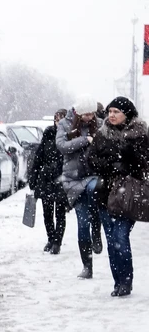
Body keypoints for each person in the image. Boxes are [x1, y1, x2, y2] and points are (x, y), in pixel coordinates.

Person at [85, 96, 149, 296]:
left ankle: (126, 281)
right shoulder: (102, 135)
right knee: (112, 240)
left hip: (127, 195)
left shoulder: (140, 135)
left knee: (120, 237)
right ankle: (118, 283)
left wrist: (126, 158)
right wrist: (110, 165)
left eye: (116, 112)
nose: (111, 115)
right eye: (110, 111)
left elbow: (143, 163)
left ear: (127, 114)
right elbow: (91, 160)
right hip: (105, 193)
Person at [55, 98, 102, 278]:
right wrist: (85, 140)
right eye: (86, 114)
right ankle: (87, 266)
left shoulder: (99, 123)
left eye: (92, 113)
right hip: (73, 178)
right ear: (78, 113)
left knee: (94, 190)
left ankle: (97, 229)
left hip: (93, 173)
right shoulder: (65, 124)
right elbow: (62, 146)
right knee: (82, 225)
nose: (90, 117)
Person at [27, 109, 69, 254]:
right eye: (57, 120)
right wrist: (33, 178)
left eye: (62, 120)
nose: (59, 123)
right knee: (47, 212)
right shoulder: (48, 133)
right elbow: (39, 157)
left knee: (60, 213)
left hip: (62, 179)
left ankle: (57, 242)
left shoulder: (69, 136)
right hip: (46, 179)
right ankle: (50, 239)